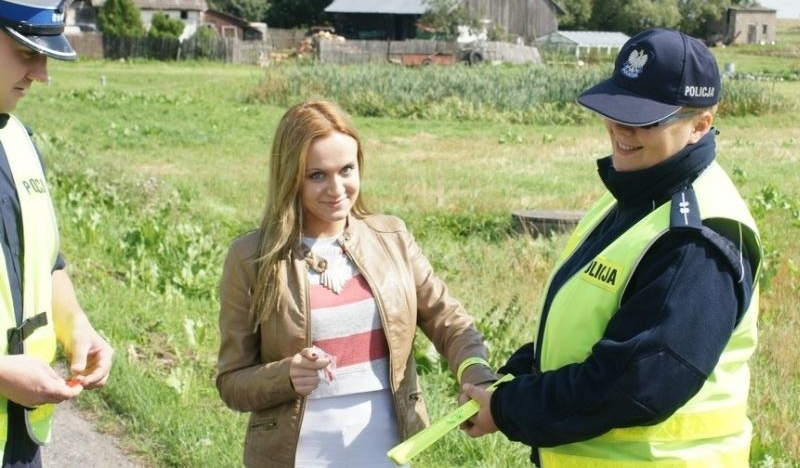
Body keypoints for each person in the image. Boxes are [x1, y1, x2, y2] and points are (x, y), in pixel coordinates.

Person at [461, 27, 763, 467]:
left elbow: (633, 384)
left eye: (644, 118)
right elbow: (599, 326)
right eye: (615, 108)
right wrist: (520, 372)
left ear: (700, 123)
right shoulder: (636, 192)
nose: (619, 128)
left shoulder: (694, 240)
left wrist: (509, 408)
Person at [216, 99, 496, 467]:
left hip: (386, 453)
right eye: (317, 175)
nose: (336, 188)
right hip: (295, 457)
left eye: (346, 169)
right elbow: (232, 383)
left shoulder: (391, 238)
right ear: (290, 177)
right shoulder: (251, 258)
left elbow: (452, 325)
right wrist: (286, 375)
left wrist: (478, 377)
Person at [0, 0, 114, 468]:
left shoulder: (18, 141)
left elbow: (45, 264)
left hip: (20, 440)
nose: (41, 74)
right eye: (28, 52)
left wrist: (78, 329)